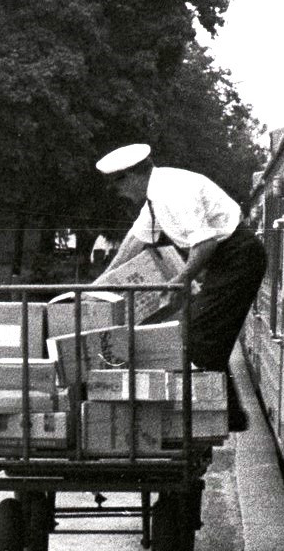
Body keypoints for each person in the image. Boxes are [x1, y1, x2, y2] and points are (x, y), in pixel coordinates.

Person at [93, 142, 266, 429]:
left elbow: (205, 243)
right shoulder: (156, 195)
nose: (118, 192)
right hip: (228, 260)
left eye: (118, 184)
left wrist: (179, 281)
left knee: (200, 336)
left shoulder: (171, 193)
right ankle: (229, 416)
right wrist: (102, 282)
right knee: (201, 332)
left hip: (238, 258)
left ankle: (217, 419)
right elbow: (136, 240)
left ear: (132, 176)